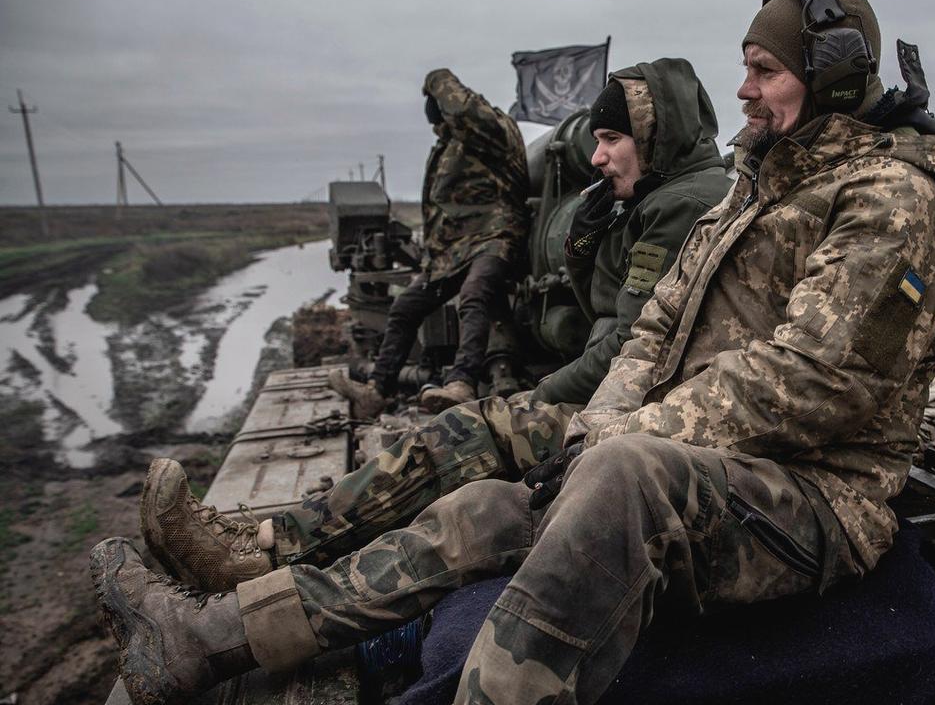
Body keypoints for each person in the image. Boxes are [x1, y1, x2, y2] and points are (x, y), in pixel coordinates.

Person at [93, 0, 935, 705]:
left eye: (765, 69)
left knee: (621, 478)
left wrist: (628, 438)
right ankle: (205, 640)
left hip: (816, 493)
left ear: (831, 79)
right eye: (743, 67)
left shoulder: (896, 200)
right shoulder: (759, 182)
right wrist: (599, 426)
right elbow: (652, 331)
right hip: (702, 457)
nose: (744, 89)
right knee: (485, 508)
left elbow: (814, 384)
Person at [141, 59, 731, 591]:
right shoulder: (657, 197)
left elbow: (630, 347)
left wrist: (542, 393)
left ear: (654, 136)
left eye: (611, 139)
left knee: (455, 441)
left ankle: (267, 551)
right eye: (596, 141)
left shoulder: (677, 204)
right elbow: (608, 320)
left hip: (640, 409)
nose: (598, 158)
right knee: (457, 438)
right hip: (628, 398)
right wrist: (584, 241)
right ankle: (270, 541)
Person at [330, 69, 529, 418]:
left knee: (475, 293)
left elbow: (468, 113)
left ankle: (462, 382)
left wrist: (437, 78)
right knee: (407, 306)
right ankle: (378, 389)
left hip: (495, 237)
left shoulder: (493, 130)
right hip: (454, 250)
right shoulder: (449, 144)